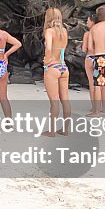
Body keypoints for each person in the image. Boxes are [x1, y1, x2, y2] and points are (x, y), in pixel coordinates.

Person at [41, 8, 72, 136]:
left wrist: (47, 60)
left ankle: (52, 131)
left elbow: (49, 48)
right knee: (65, 99)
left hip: (52, 67)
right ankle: (65, 129)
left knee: (54, 100)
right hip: (63, 66)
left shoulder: (49, 31)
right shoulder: (64, 31)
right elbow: (62, 50)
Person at [82, 15, 98, 115]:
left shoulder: (87, 34)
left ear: (92, 22)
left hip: (90, 57)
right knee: (101, 84)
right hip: (100, 58)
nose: (86, 22)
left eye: (87, 20)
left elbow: (84, 49)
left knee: (92, 83)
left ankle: (94, 107)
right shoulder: (101, 33)